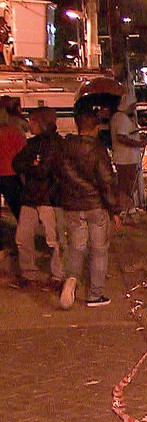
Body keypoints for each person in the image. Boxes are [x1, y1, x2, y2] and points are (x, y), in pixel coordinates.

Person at [58, 106, 123, 308]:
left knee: (77, 247)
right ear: (94, 128)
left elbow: (57, 175)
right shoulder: (97, 149)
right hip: (95, 206)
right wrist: (115, 211)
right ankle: (95, 295)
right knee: (99, 250)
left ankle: (71, 279)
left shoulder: (64, 147)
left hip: (72, 206)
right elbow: (106, 181)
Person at [12, 107, 63, 287]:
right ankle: (28, 274)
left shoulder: (55, 143)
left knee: (53, 240)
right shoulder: (33, 143)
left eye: (32, 120)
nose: (29, 124)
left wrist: (32, 166)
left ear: (41, 122)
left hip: (48, 197)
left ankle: (58, 275)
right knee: (23, 237)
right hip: (32, 196)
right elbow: (16, 163)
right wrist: (33, 165)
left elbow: (44, 170)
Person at [109, 90, 147, 218]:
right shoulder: (120, 118)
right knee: (126, 185)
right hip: (125, 159)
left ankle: (129, 207)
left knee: (130, 184)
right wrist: (139, 144)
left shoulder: (122, 117)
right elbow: (122, 137)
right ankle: (125, 208)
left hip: (128, 158)